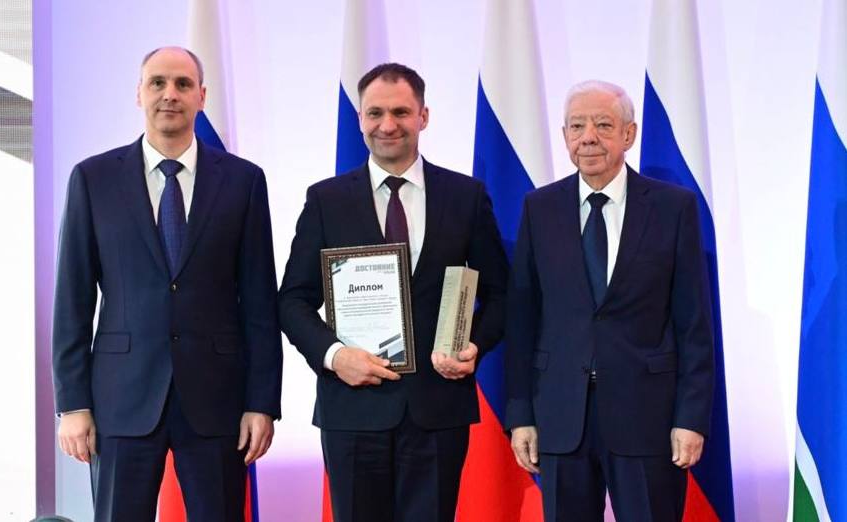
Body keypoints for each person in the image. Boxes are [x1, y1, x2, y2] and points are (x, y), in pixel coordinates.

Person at [52, 46, 282, 522]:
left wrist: (262, 403)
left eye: (182, 84)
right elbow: (72, 300)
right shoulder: (93, 178)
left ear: (202, 96)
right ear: (139, 93)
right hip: (121, 397)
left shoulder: (243, 181)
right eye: (157, 82)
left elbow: (260, 301)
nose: (169, 94)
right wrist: (72, 404)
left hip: (218, 399)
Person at [278, 63, 509, 522]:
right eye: (375, 113)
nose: (388, 125)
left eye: (401, 112)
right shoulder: (326, 200)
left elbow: (502, 294)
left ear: (424, 116)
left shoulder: (465, 196)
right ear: (360, 119)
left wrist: (475, 346)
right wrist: (335, 356)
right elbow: (292, 300)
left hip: (437, 408)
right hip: (351, 407)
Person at [505, 80, 714, 521]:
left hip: (648, 418)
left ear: (628, 134)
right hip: (561, 417)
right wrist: (521, 413)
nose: (588, 138)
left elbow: (694, 322)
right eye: (577, 126)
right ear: (564, 135)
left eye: (603, 125)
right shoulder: (539, 208)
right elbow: (522, 320)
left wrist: (691, 416)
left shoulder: (673, 208)